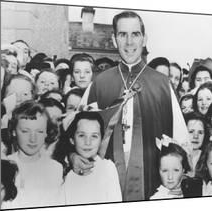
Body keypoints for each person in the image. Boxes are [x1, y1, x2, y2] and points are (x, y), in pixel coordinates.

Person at [72, 10, 189, 201]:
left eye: (135, 34)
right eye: (122, 34)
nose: (129, 42)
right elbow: (75, 132)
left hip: (152, 180)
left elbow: (181, 141)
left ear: (144, 38)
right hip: (105, 178)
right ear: (114, 39)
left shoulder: (162, 84)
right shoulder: (100, 82)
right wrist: (73, 156)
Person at [5, 100, 64, 208]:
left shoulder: (56, 168)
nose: (33, 139)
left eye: (39, 131)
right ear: (13, 131)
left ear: (46, 132)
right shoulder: (4, 166)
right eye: (25, 131)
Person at [62, 111, 122, 205]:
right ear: (72, 139)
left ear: (101, 140)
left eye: (94, 136)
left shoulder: (107, 167)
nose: (88, 142)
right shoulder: (64, 168)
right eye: (82, 135)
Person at [184, 112, 209, 176]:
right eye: (191, 132)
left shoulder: (208, 157)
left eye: (200, 132)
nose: (196, 136)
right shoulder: (176, 157)